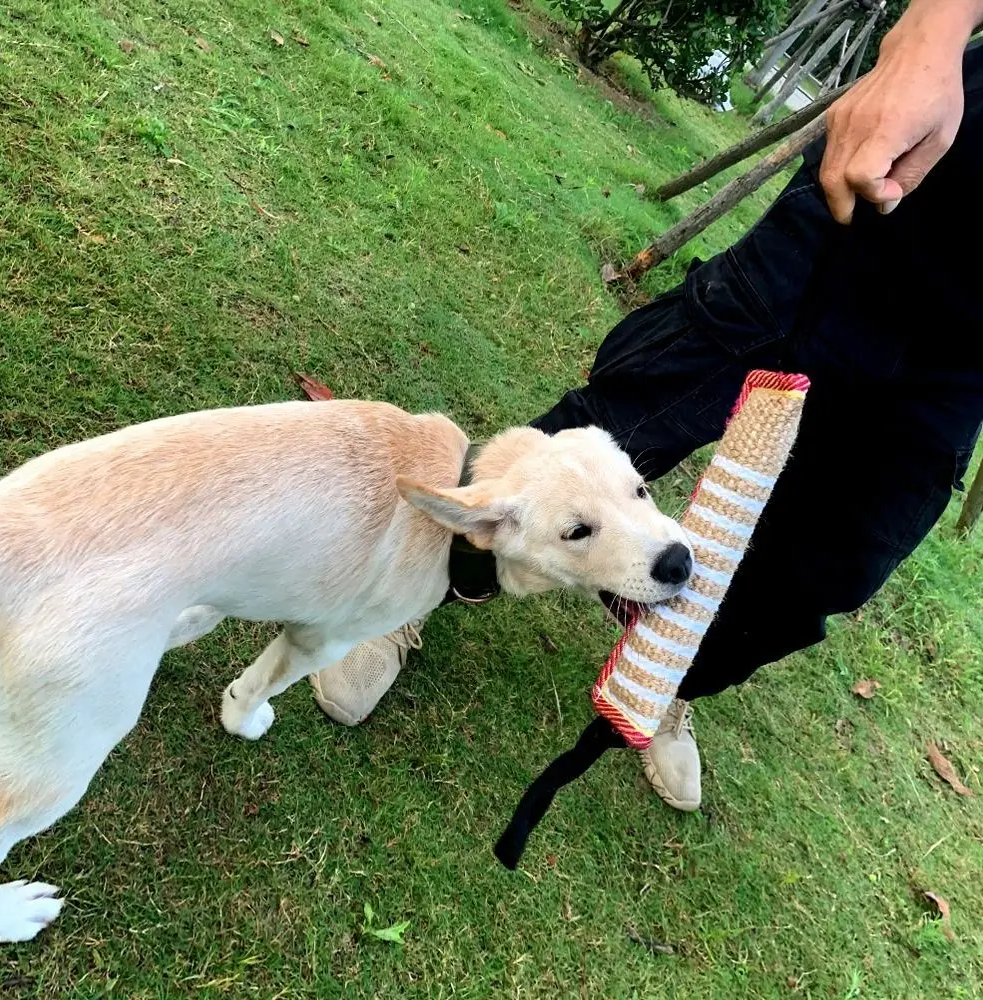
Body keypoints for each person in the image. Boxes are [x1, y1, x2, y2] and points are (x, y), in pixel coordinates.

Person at [310, 0, 983, 812]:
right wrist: (932, 34)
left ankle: (664, 676)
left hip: (967, 352)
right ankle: (419, 589)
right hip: (900, 199)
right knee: (638, 412)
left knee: (835, 561)